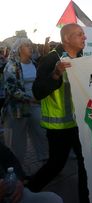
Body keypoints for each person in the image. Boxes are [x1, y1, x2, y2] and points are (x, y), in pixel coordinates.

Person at [26, 23, 89, 203]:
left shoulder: (83, 58)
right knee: (55, 165)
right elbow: (37, 92)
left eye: (84, 34)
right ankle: (24, 193)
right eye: (79, 34)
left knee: (85, 163)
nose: (84, 37)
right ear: (67, 39)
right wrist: (55, 75)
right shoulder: (50, 60)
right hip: (59, 126)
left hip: (80, 123)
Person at [2, 38, 48, 172]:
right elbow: (11, 89)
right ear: (19, 49)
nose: (31, 47)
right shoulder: (12, 66)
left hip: (35, 105)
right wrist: (31, 99)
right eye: (27, 45)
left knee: (41, 132)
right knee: (17, 141)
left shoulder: (34, 64)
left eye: (30, 45)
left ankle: (45, 160)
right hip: (17, 109)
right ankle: (16, 170)